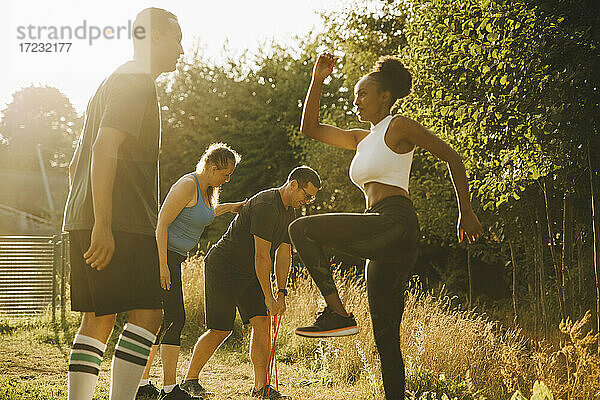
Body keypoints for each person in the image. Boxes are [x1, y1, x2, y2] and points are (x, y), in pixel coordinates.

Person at [289, 53, 483, 399]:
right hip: (377, 228)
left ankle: (336, 313)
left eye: (362, 94)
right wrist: (318, 79)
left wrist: (465, 211)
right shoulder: (360, 139)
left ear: (385, 96)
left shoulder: (399, 126)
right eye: (353, 96)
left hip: (396, 221)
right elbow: (311, 129)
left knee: (301, 230)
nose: (356, 101)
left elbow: (451, 156)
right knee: (386, 340)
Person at [62, 8, 183, 400]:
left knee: (99, 318)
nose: (182, 49)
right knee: (148, 313)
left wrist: (88, 216)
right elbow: (103, 146)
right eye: (177, 39)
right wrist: (103, 223)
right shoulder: (136, 82)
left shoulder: (110, 82)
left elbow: (75, 163)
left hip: (92, 215)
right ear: (156, 37)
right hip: (120, 221)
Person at [179, 166, 321, 400]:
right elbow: (262, 256)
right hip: (224, 267)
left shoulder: (289, 213)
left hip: (249, 271)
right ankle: (190, 380)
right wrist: (268, 296)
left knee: (262, 322)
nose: (306, 201)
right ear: (293, 184)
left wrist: (281, 293)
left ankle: (260, 387)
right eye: (306, 195)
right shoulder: (266, 205)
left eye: (311, 198)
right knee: (220, 329)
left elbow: (284, 254)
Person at [136, 143, 245, 400]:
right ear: (212, 166)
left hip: (173, 258)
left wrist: (229, 207)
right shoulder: (188, 185)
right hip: (161, 257)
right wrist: (163, 265)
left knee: (163, 320)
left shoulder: (208, 192)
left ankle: (142, 385)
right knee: (174, 317)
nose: (227, 179)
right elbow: (161, 223)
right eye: (225, 174)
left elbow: (203, 215)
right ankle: (169, 389)